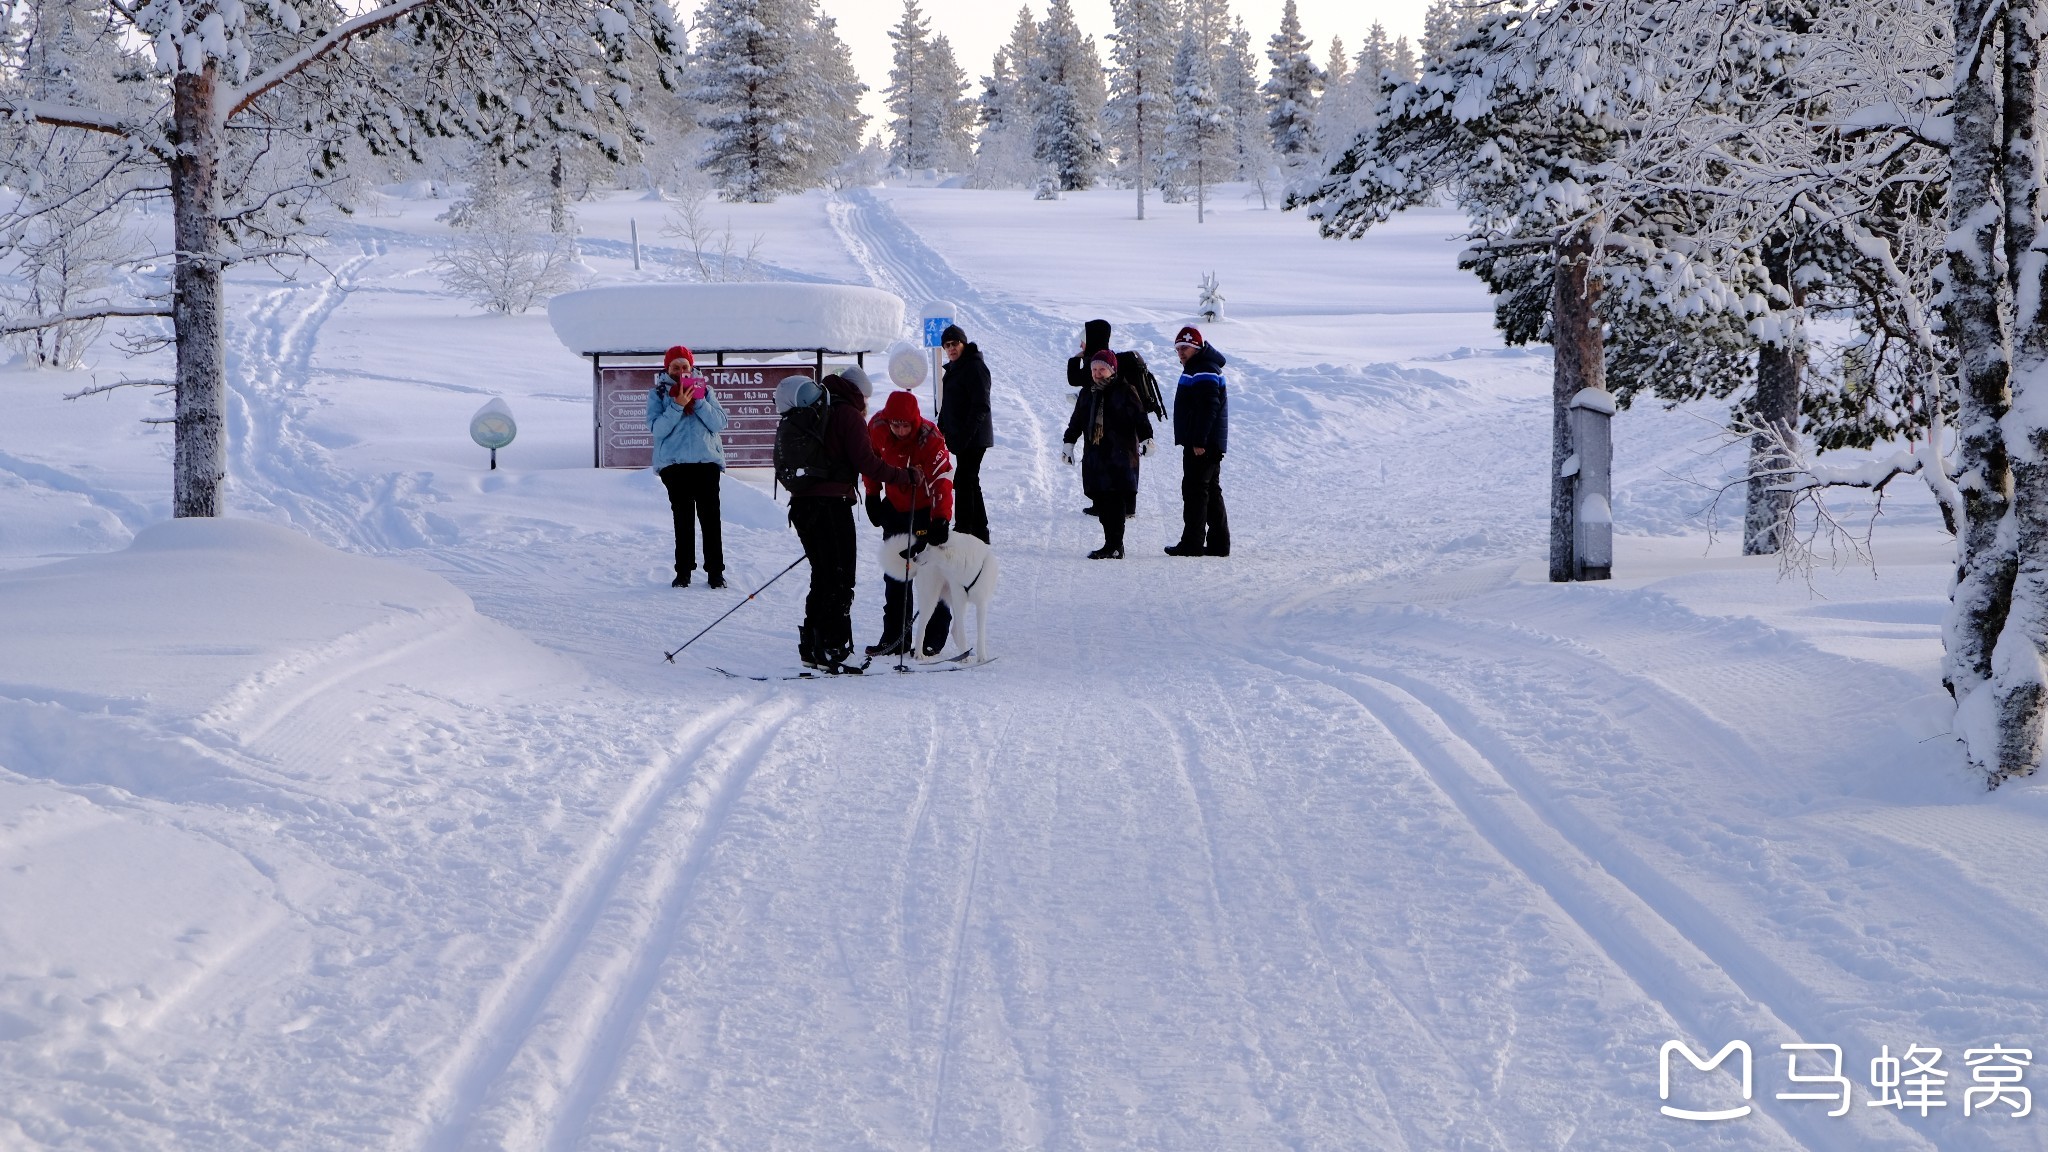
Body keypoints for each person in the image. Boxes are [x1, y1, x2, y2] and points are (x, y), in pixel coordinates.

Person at [786, 365, 920, 671]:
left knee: (822, 575)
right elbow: (869, 463)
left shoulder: (817, 407)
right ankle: (834, 648)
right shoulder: (846, 414)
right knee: (840, 578)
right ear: (859, 393)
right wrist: (905, 475)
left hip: (802, 504)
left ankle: (813, 647)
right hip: (831, 506)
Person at [865, 390, 957, 657]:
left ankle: (933, 635)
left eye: (906, 424)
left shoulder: (930, 438)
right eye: (896, 424)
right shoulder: (878, 428)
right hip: (895, 506)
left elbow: (942, 480)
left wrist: (941, 518)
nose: (900, 429)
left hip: (926, 508)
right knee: (896, 572)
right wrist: (872, 494)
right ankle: (895, 637)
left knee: (931, 572)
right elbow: (871, 462)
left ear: (915, 421)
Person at [647, 344, 729, 588]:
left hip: (706, 463)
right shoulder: (659, 394)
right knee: (683, 520)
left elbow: (720, 423)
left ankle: (715, 572)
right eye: (675, 366)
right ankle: (683, 572)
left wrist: (699, 401)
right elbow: (657, 429)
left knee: (711, 520)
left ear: (691, 367)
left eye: (685, 366)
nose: (680, 370)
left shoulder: (706, 390)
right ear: (667, 367)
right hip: (675, 466)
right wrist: (678, 405)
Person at [1062, 349, 1154, 559]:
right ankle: (1111, 543)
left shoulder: (1125, 390)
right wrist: (1068, 443)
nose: (1097, 373)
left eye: (1102, 369)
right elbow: (1076, 421)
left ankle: (1114, 545)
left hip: (1120, 455)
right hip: (1095, 456)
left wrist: (1147, 438)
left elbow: (1140, 418)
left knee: (1114, 501)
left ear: (1112, 370)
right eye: (1094, 369)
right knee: (1102, 501)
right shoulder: (1088, 392)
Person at [1165, 325, 1229, 557]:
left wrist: (1199, 439)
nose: (1181, 352)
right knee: (1209, 491)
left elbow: (1208, 406)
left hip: (1202, 444)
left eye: (1185, 348)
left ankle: (1192, 543)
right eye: (1178, 348)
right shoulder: (1200, 367)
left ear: (1197, 347)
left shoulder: (1203, 369)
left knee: (1195, 492)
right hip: (1205, 442)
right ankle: (1219, 544)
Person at [937, 324, 993, 544]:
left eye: (955, 344)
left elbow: (981, 406)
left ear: (963, 343)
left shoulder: (974, 367)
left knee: (964, 480)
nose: (951, 349)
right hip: (962, 437)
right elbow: (948, 405)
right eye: (947, 345)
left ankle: (964, 529)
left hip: (973, 437)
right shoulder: (955, 368)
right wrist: (940, 428)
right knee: (969, 480)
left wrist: (963, 436)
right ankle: (979, 530)